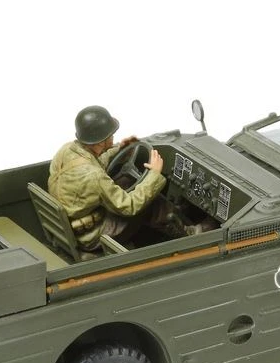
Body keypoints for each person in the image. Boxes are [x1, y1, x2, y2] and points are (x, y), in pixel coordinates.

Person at [48, 105, 190, 252]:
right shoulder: (95, 176)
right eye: (110, 136)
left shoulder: (66, 150)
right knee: (151, 200)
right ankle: (187, 233)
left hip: (73, 224)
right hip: (91, 236)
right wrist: (154, 174)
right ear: (101, 141)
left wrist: (119, 150)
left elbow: (91, 163)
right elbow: (130, 206)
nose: (113, 138)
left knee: (127, 182)